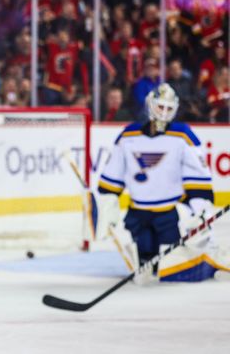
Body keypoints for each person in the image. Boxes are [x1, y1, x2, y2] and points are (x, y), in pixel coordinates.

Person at [94, 83, 220, 282]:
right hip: (137, 215)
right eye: (160, 107)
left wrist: (200, 211)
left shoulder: (183, 135)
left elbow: (199, 181)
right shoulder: (128, 136)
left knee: (172, 269)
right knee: (142, 257)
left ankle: (209, 256)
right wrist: (105, 209)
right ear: (150, 105)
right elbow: (112, 180)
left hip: (170, 216)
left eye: (169, 109)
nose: (163, 113)